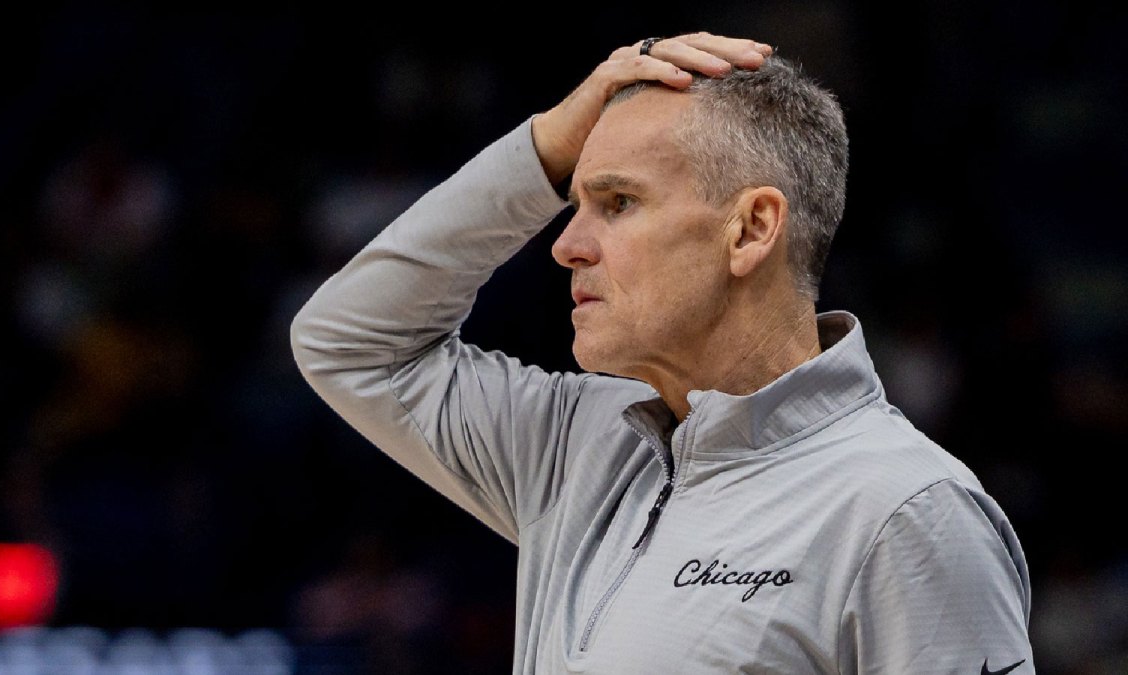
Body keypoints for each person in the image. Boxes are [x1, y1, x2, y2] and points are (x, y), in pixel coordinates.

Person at [291, 32, 1034, 674]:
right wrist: (545, 147)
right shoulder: (576, 441)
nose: (565, 244)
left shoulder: (908, 512)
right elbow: (348, 342)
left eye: (617, 203)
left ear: (750, 230)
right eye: (570, 199)